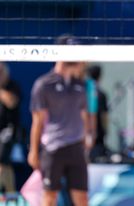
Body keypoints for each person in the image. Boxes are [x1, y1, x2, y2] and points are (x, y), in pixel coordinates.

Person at [28, 35, 93, 206]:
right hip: (53, 147)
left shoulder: (81, 85)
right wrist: (33, 151)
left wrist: (88, 137)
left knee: (82, 198)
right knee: (49, 197)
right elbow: (37, 121)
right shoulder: (43, 84)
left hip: (76, 147)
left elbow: (84, 114)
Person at [0, 62, 21, 196]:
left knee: (1, 163)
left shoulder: (13, 86)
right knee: (5, 167)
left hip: (7, 131)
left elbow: (11, 102)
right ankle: (11, 193)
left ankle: (11, 194)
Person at [87, 65, 110, 162]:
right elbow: (104, 116)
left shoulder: (83, 92)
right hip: (97, 131)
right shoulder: (101, 94)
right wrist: (105, 130)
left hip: (87, 131)